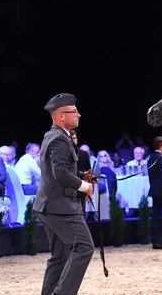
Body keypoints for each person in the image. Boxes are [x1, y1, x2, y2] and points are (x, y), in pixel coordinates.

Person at [32, 93, 95, 295]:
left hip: (48, 206)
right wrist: (85, 187)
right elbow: (59, 173)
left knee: (59, 256)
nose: (79, 114)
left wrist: (81, 177)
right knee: (84, 248)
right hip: (61, 207)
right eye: (74, 111)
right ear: (61, 116)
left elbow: (57, 170)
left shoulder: (54, 135)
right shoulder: (60, 139)